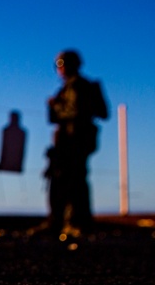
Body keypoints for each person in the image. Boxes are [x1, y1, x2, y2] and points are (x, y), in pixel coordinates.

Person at [43, 49, 109, 237]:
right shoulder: (65, 89)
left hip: (77, 140)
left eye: (61, 64)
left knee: (74, 181)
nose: (59, 69)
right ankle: (59, 221)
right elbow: (56, 119)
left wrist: (56, 106)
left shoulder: (82, 86)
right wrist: (54, 106)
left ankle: (76, 222)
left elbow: (83, 112)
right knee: (61, 181)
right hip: (65, 141)